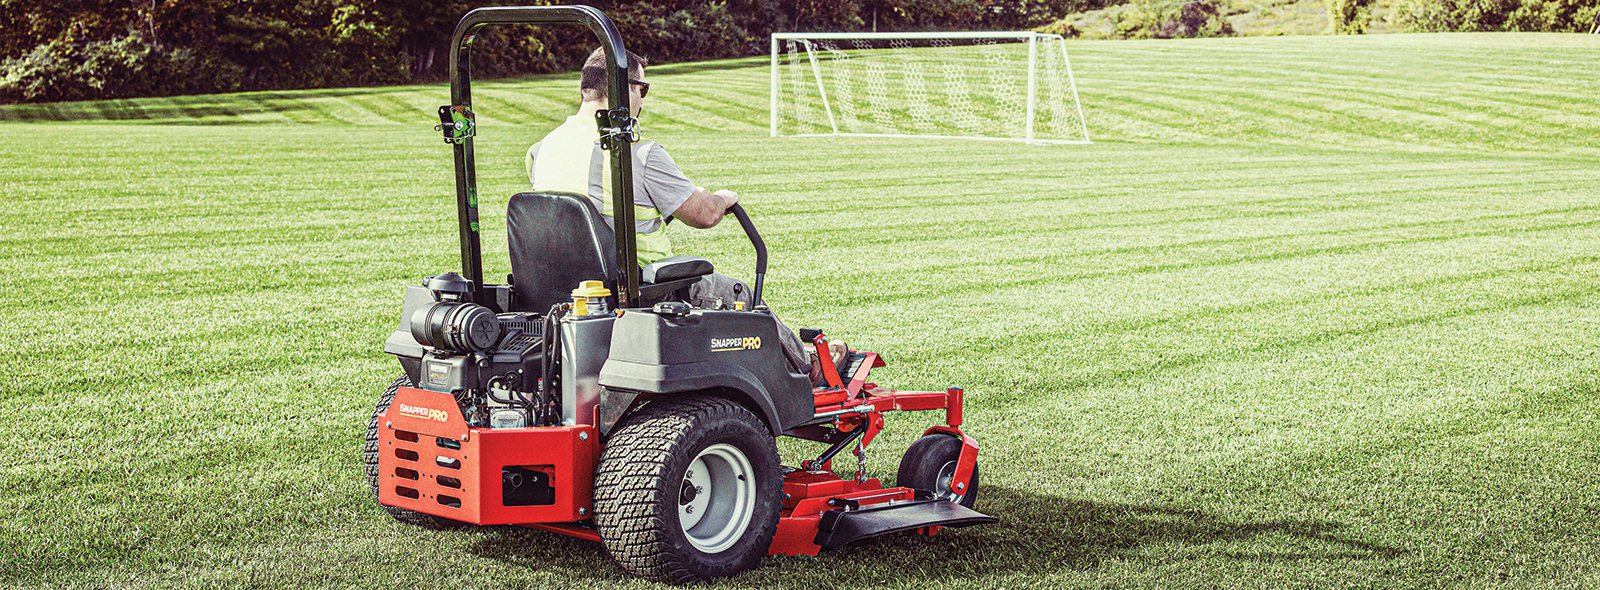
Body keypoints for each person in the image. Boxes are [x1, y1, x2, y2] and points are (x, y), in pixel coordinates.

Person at [526, 47, 827, 381]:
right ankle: (806, 367)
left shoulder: (541, 150)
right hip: (637, 287)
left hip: (561, 286)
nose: (644, 99)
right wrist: (723, 197)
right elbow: (705, 215)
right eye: (643, 88)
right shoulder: (637, 153)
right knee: (735, 291)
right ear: (624, 87)